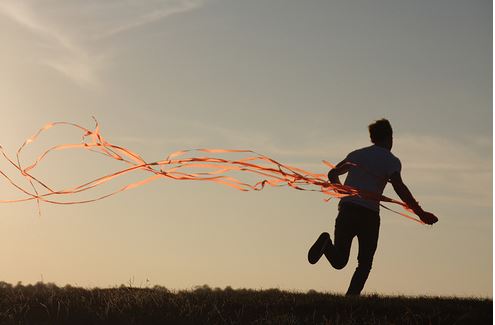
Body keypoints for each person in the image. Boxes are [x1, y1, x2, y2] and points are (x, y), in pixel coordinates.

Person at [308, 118, 438, 296]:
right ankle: (351, 299)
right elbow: (399, 187)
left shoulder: (356, 154)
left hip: (347, 209)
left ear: (372, 138)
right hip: (368, 215)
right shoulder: (391, 160)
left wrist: (341, 189)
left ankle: (325, 242)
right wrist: (420, 213)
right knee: (365, 262)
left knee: (339, 260)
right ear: (390, 137)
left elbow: (332, 173)